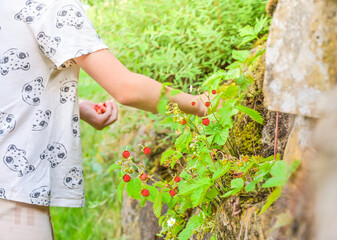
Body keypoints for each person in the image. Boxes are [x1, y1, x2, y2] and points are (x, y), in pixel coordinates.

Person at [0, 0, 208, 239]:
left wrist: (74, 107)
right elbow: (126, 89)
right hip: (13, 196)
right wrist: (201, 104)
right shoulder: (54, 5)